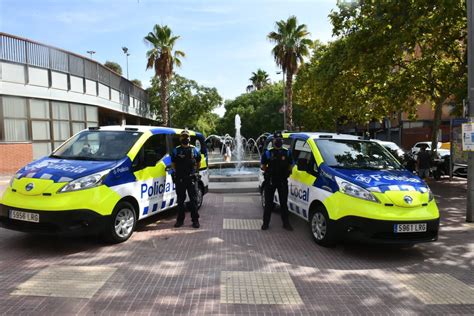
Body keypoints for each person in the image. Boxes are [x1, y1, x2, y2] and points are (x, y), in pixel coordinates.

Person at [260, 131, 294, 231]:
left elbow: (291, 164)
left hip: (283, 181)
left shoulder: (287, 152)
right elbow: (263, 166)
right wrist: (270, 171)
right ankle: (265, 223)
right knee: (268, 203)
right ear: (273, 140)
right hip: (270, 181)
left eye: (280, 139)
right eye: (276, 139)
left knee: (284, 203)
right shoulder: (268, 152)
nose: (278, 140)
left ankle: (286, 223)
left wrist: (288, 171)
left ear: (282, 140)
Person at [171, 130, 202, 228]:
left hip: (191, 179)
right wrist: (175, 172)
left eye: (187, 136)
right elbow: (173, 163)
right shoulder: (176, 150)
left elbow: (198, 162)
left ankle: (195, 220)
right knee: (180, 201)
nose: (185, 138)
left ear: (189, 138)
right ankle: (180, 220)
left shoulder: (194, 150)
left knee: (193, 201)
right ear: (180, 138)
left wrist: (196, 172)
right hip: (180, 179)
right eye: (183, 136)